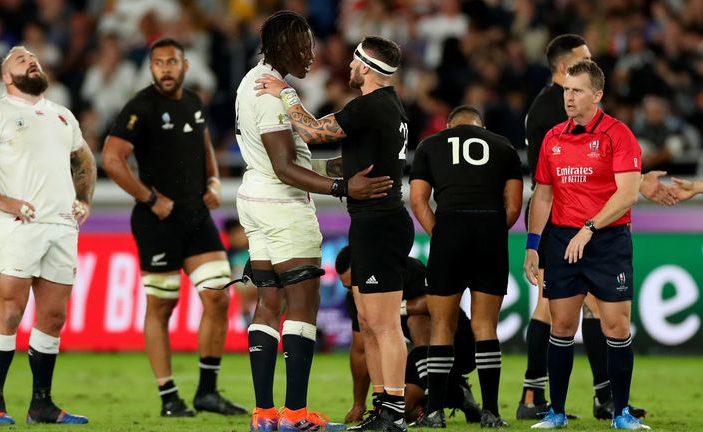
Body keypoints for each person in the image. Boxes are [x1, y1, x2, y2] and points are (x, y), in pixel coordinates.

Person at [236, 11, 392, 432]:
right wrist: (345, 189)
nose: (312, 52)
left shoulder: (251, 82)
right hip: (283, 203)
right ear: (282, 45)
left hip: (255, 198)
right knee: (303, 306)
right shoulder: (270, 94)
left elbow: (294, 159)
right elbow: (286, 166)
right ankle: (296, 415)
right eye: (304, 44)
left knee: (268, 305)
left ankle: (265, 414)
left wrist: (342, 168)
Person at [0, 46, 95, 425]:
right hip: (20, 226)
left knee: (54, 317)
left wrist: (83, 199)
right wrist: (1, 200)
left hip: (61, 226)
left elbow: (84, 158)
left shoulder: (62, 114)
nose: (30, 60)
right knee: (11, 312)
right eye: (19, 59)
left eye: (33, 58)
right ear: (6, 78)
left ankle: (41, 405)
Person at [102, 38, 245, 418]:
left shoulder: (194, 102)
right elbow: (112, 158)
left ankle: (208, 392)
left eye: (171, 62)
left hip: (196, 216)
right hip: (157, 221)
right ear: (150, 69)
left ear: (184, 65)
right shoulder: (141, 106)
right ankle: (168, 397)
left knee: (218, 297)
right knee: (162, 306)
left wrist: (213, 181)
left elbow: (205, 148)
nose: (164, 69)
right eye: (158, 63)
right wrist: (150, 199)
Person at [520, 34, 655, 421]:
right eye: (567, 89)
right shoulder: (552, 138)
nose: (569, 97)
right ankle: (556, 412)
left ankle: (621, 412)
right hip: (563, 239)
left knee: (615, 325)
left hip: (606, 240)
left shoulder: (618, 135)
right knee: (561, 325)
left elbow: (628, 194)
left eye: (578, 91)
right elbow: (542, 195)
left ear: (597, 95)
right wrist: (533, 245)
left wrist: (589, 228)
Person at [409, 105, 523, 428]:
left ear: (448, 125)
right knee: (486, 326)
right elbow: (513, 206)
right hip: (489, 229)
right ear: (481, 126)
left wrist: (441, 233)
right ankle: (491, 412)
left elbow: (418, 200)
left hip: (449, 228)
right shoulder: (503, 146)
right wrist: (491, 233)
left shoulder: (431, 145)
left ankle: (434, 413)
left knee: (442, 325)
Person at [334, 246, 482, 427]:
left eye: (355, 283)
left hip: (460, 343)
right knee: (401, 408)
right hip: (423, 357)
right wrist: (359, 404)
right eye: (349, 287)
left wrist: (393, 309)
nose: (354, 291)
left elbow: (435, 301)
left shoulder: (405, 269)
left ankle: (433, 407)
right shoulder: (357, 300)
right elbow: (360, 350)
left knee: (416, 321)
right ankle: (459, 394)